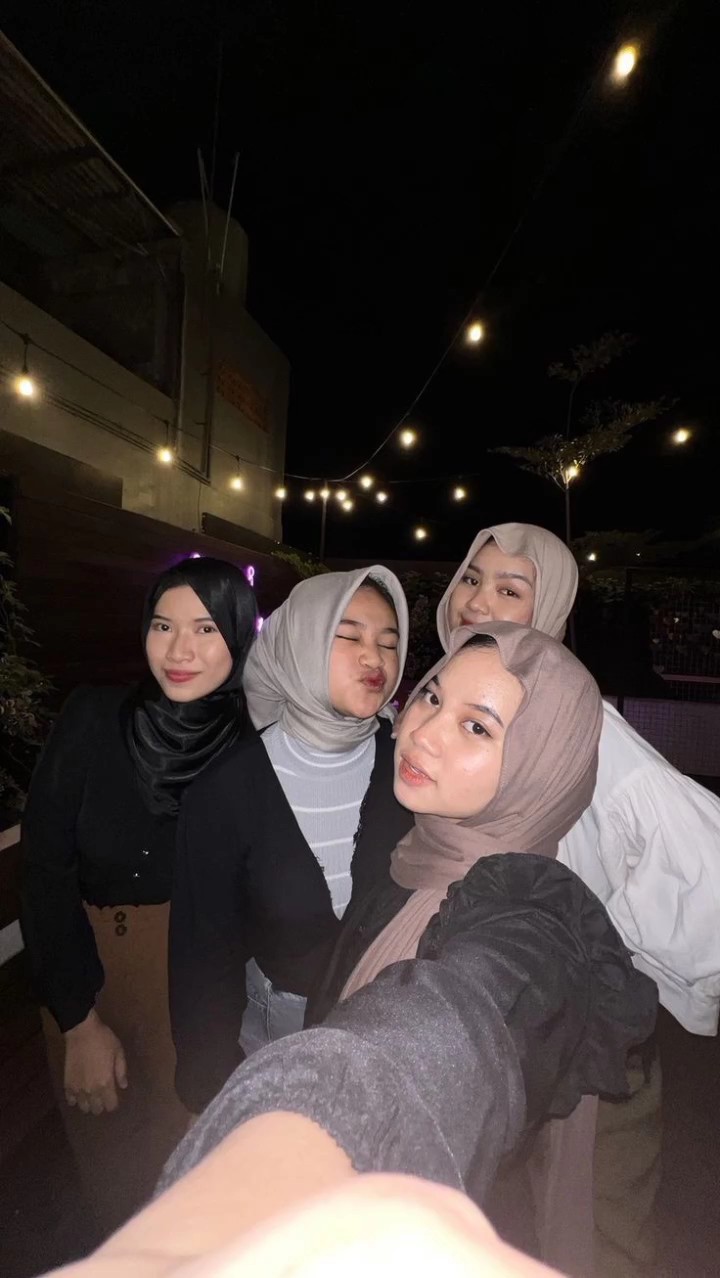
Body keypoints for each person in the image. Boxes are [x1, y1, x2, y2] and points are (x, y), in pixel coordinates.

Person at [438, 521, 720, 1276]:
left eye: (510, 589)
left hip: (588, 1044)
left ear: (552, 609)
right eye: (472, 578)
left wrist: (613, 948)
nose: (478, 601)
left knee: (594, 1239)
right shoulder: (455, 703)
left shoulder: (580, 720)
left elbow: (704, 862)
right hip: (494, 1029)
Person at [20, 555, 258, 1235]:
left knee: (187, 1178)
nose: (179, 650)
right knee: (109, 1171)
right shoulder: (93, 717)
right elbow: (43, 868)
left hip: (198, 980)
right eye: (162, 625)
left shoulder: (253, 747)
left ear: (238, 637)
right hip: (89, 965)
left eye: (206, 629)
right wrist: (77, 1020)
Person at [169, 566, 411, 1114]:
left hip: (394, 1036)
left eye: (388, 642)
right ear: (301, 644)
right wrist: (209, 1087)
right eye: (348, 636)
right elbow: (203, 959)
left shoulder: (412, 769)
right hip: (280, 1043)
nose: (374, 658)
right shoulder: (226, 790)